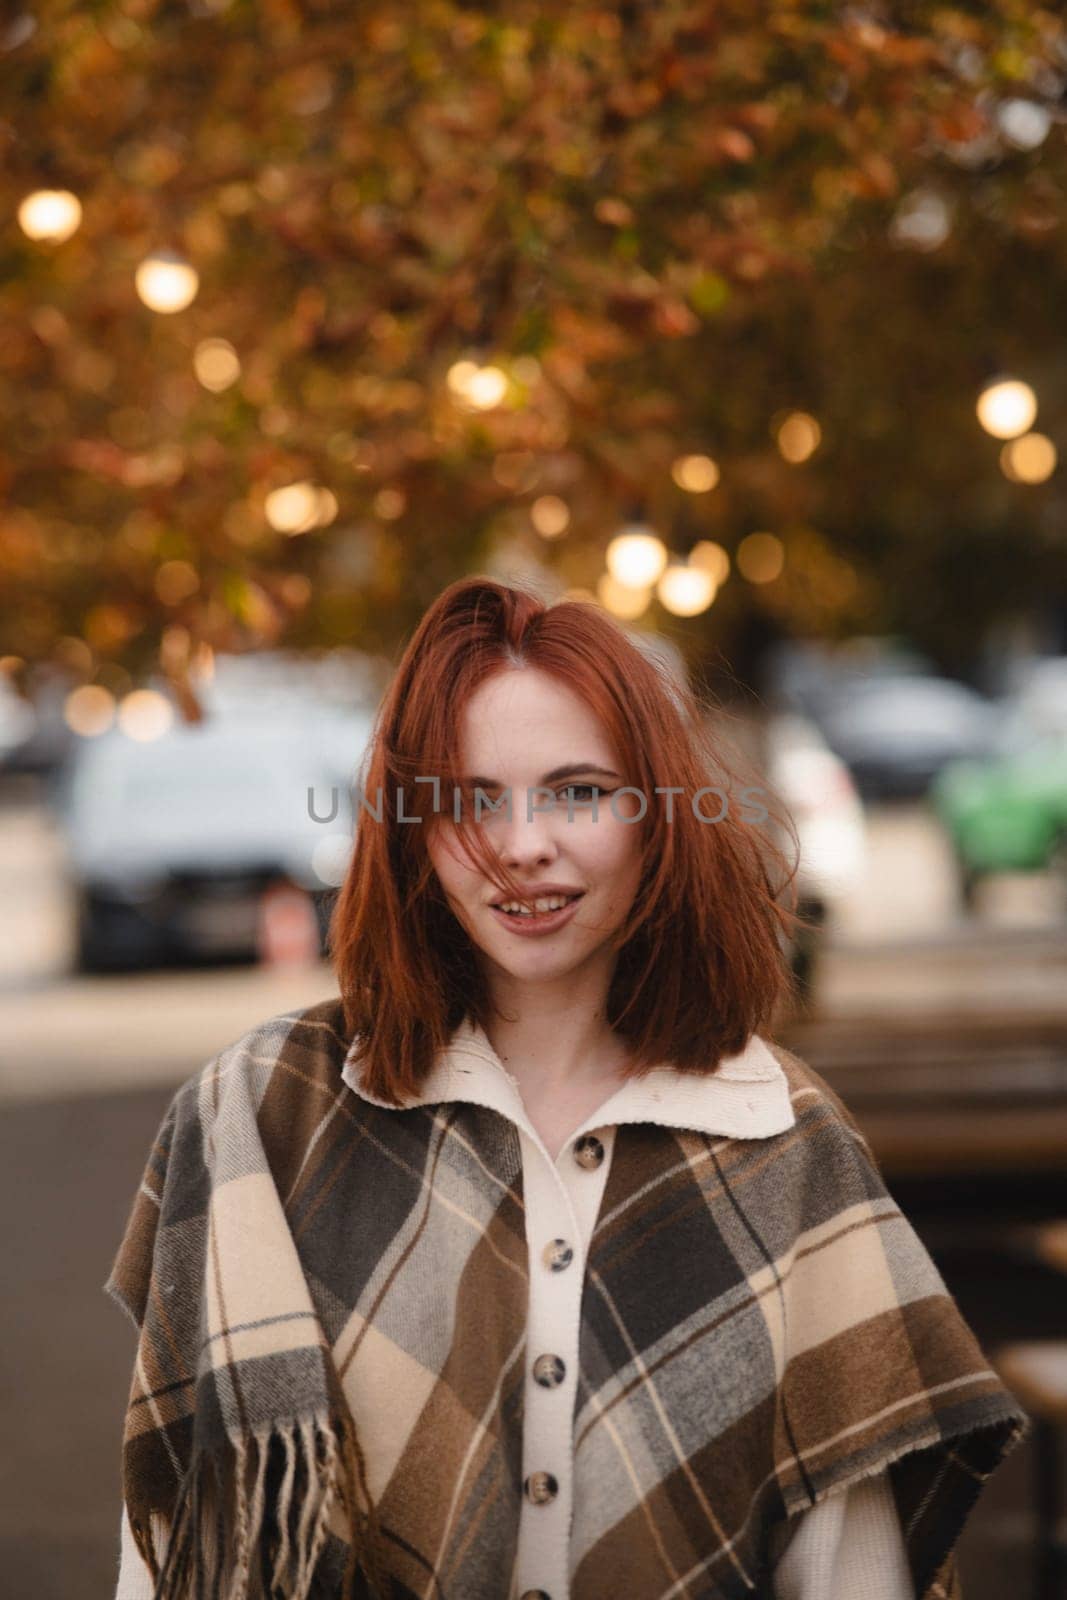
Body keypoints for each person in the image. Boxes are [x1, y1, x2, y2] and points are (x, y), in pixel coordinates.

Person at [106, 577, 1029, 1600]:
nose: (519, 845)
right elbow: (167, 1556)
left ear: (656, 820)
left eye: (577, 791)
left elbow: (850, 1577)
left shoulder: (782, 1140)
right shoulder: (268, 1115)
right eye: (466, 799)